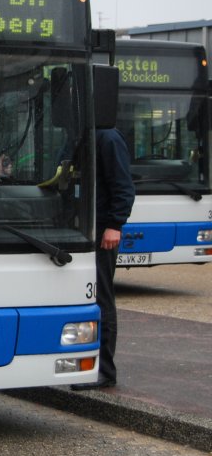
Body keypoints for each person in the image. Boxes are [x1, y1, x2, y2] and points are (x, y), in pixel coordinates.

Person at [72, 127, 135, 390]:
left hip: (101, 232)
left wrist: (115, 225)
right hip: (80, 229)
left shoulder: (108, 137)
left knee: (101, 297)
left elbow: (123, 187)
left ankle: (105, 370)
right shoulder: (79, 132)